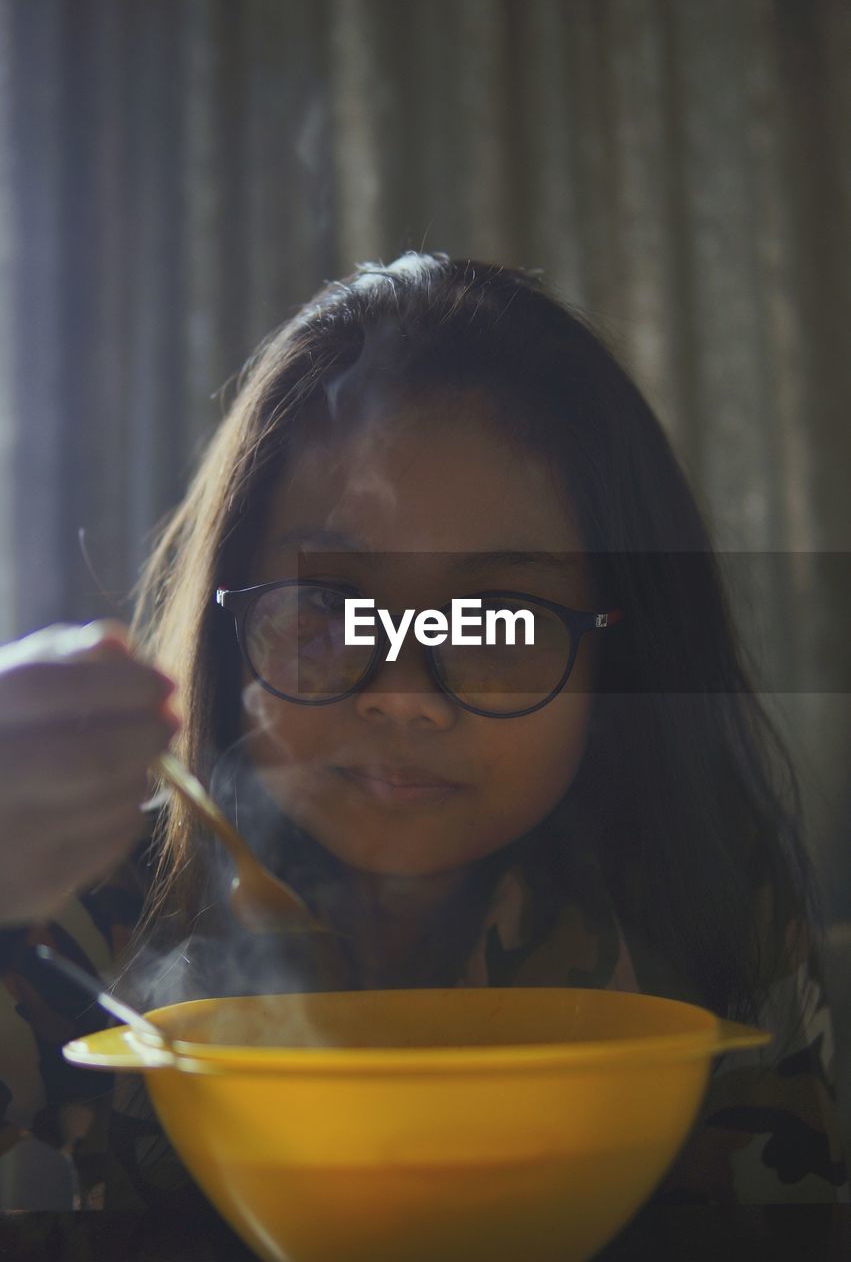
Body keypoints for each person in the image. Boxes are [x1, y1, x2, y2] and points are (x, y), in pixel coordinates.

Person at [0, 253, 846, 1211]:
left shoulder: (695, 889)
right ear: (231, 628)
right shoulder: (89, 887)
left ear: (622, 656)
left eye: (498, 622)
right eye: (328, 604)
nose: (402, 696)